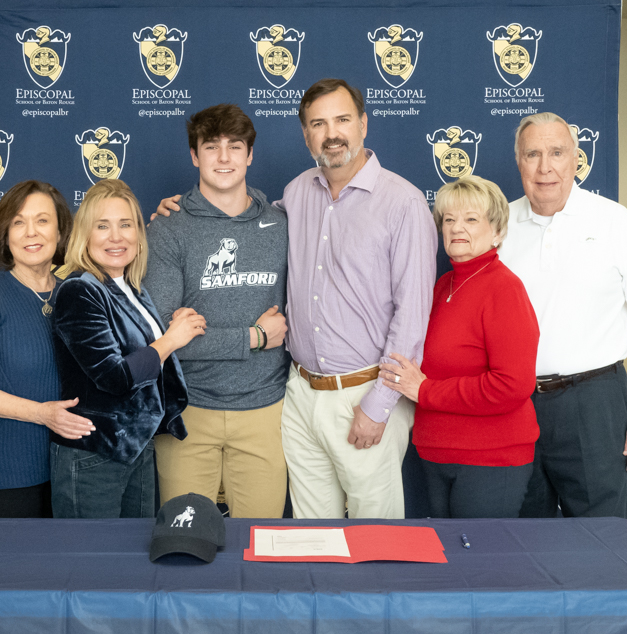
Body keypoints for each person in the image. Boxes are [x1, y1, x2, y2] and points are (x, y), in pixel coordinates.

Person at [155, 80, 437, 519]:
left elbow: (412, 316)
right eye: (318, 124)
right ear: (305, 135)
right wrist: (177, 209)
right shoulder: (298, 193)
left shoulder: (403, 203)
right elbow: (237, 214)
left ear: (363, 124)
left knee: (375, 533)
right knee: (310, 533)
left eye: (342, 120)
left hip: (363, 392)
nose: (332, 133)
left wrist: (380, 404)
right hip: (299, 395)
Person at [498, 112, 627, 519]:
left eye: (557, 153)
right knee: (523, 537)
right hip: (515, 404)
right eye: (533, 154)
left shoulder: (614, 221)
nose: (545, 167)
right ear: (518, 161)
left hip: (594, 404)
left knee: (604, 536)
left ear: (576, 159)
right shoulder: (498, 226)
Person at [144, 104, 289, 518]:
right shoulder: (168, 227)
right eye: (211, 147)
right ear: (194, 155)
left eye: (235, 146)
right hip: (187, 411)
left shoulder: (282, 225)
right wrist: (253, 338)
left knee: (260, 542)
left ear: (250, 155)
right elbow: (166, 340)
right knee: (185, 541)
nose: (224, 158)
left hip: (265, 410)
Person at [379, 176, 539, 518]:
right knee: (443, 551)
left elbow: (512, 384)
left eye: (471, 219)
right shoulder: (442, 285)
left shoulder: (505, 290)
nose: (456, 228)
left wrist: (426, 391)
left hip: (490, 457)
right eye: (449, 219)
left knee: (480, 551)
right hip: (435, 452)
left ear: (497, 231)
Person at [51, 179, 204, 519]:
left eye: (125, 224)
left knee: (136, 550)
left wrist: (170, 328)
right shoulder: (79, 290)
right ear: (84, 234)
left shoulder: (132, 288)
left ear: (139, 233)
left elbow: (144, 353)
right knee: (93, 552)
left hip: (136, 447)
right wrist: (171, 339)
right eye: (102, 226)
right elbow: (114, 377)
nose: (116, 237)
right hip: (95, 453)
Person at [0, 180, 94, 518]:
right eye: (18, 222)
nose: (31, 232)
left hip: (72, 465)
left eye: (42, 220)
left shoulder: (77, 296)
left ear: (60, 231)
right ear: (5, 235)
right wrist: (42, 414)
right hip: (7, 467)